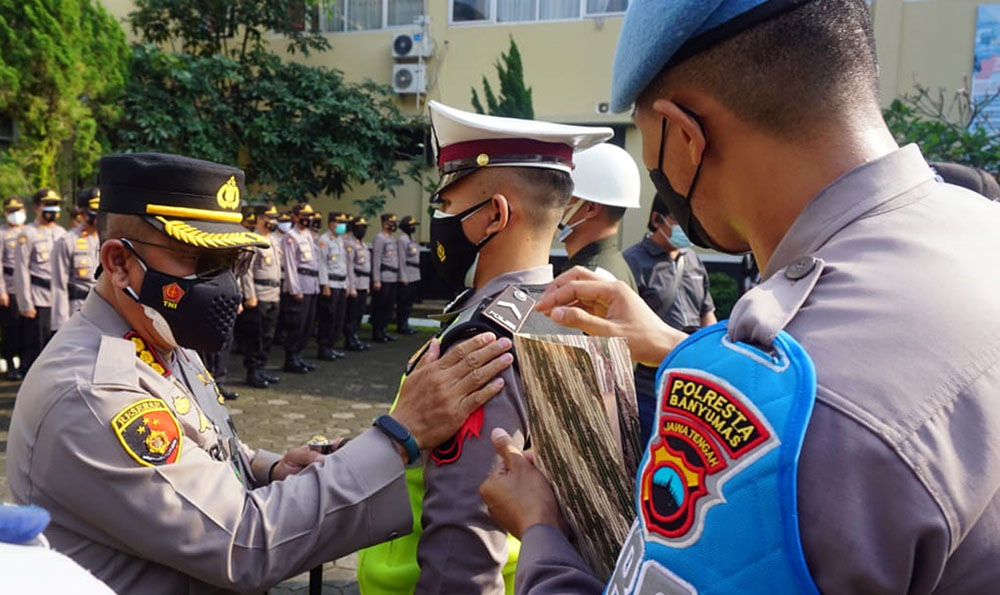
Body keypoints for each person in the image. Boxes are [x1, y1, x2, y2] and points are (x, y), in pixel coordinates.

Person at [480, 1, 1000, 593]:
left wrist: (541, 528)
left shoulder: (768, 416)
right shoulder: (979, 230)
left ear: (685, 135)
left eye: (650, 148)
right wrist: (678, 346)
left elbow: (809, 404)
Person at [6, 152, 516, 594]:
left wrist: (268, 469)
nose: (224, 286)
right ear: (119, 263)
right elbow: (242, 544)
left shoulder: (156, 334)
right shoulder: (94, 390)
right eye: (198, 263)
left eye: (230, 263)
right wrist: (397, 437)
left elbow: (203, 445)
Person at [357, 100, 612, 594]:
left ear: (494, 214)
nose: (440, 219)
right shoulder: (565, 312)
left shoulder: (485, 341)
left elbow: (463, 548)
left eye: (447, 206)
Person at [624, 193, 717, 445]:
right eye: (679, 220)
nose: (687, 229)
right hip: (647, 388)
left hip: (689, 386)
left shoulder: (694, 261)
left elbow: (706, 312)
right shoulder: (633, 262)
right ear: (657, 220)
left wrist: (712, 359)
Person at [558, 142, 641, 291]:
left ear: (590, 208)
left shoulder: (589, 281)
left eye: (563, 199)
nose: (555, 207)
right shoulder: (609, 265)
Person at [15, 188, 66, 372]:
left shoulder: (62, 233)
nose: (53, 209)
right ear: (36, 207)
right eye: (48, 205)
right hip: (39, 299)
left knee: (59, 347)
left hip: (60, 300)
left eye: (55, 205)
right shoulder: (27, 234)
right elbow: (21, 271)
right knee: (37, 348)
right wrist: (26, 304)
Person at [239, 204, 282, 389]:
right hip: (259, 294)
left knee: (268, 335)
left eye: (274, 218)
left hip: (274, 294)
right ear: (259, 219)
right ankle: (253, 372)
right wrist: (250, 295)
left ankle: (262, 369)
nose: (273, 222)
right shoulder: (253, 240)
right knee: (255, 336)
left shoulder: (274, 240)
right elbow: (246, 271)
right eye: (269, 218)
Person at [51, 187, 101, 332]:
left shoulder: (111, 239)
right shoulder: (67, 241)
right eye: (94, 213)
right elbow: (59, 286)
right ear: (82, 214)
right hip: (78, 309)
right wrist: (61, 325)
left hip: (106, 310)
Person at [281, 202, 320, 374]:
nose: (308, 219)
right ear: (295, 217)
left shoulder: (309, 236)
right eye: (304, 216)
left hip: (311, 286)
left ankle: (299, 356)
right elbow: (290, 265)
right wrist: (295, 289)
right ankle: (290, 358)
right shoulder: (291, 236)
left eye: (310, 216)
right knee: (296, 324)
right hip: (299, 287)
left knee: (307, 325)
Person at [316, 212, 351, 361]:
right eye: (339, 222)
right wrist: (325, 284)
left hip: (341, 283)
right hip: (331, 283)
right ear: (331, 224)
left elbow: (345, 264)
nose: (343, 225)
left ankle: (331, 346)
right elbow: (322, 263)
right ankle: (323, 347)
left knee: (338, 317)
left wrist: (347, 284)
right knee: (328, 318)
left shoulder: (340, 240)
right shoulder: (324, 240)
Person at [0, 196, 27, 379]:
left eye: (18, 210)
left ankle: (25, 364)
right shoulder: (2, 234)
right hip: (9, 287)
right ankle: (10, 364)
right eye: (11, 211)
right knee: (11, 328)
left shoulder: (29, 232)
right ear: (5, 213)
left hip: (29, 289)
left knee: (28, 329)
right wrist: (1, 290)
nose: (15, 214)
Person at [371, 213, 401, 343]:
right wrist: (376, 279)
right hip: (383, 277)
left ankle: (384, 330)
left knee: (389, 306)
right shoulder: (380, 238)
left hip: (392, 277)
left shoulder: (392, 239)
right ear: (385, 223)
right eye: (391, 222)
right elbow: (376, 260)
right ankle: (377, 331)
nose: (394, 225)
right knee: (380, 306)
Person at [343, 215, 371, 352]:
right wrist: (351, 287)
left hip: (363, 283)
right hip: (355, 282)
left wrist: (367, 285)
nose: (363, 230)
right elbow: (349, 267)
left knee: (360, 312)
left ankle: (355, 336)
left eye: (364, 228)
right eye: (360, 227)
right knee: (352, 314)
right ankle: (350, 339)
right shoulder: (350, 244)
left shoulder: (363, 245)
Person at [395, 215, 421, 335]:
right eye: (411, 226)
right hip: (407, 275)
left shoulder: (411, 239)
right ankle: (401, 325)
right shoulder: (402, 240)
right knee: (403, 302)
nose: (413, 228)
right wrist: (403, 276)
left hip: (414, 274)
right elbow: (401, 259)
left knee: (409, 302)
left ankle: (405, 323)